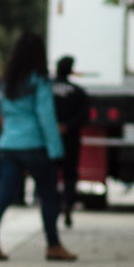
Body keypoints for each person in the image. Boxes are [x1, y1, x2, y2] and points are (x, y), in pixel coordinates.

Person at [0, 33, 76, 263]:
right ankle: (53, 245)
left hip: (9, 144)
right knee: (48, 195)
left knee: (4, 194)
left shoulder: (8, 81)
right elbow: (46, 116)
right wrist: (56, 150)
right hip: (34, 145)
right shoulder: (38, 81)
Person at [51, 56, 90, 227]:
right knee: (69, 174)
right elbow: (85, 116)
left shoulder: (47, 88)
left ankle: (53, 204)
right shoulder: (78, 91)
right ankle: (68, 203)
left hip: (50, 138)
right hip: (71, 138)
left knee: (50, 173)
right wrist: (68, 126)